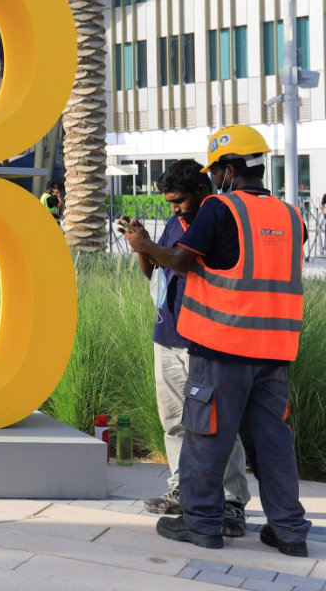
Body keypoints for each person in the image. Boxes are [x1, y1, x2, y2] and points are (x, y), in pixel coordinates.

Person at [121, 125, 311, 554]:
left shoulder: (220, 209)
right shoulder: (291, 216)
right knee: (273, 443)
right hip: (275, 351)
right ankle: (290, 532)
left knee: (205, 436)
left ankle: (202, 522)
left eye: (218, 171)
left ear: (226, 171)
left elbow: (181, 261)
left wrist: (146, 245)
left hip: (222, 346)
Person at [134, 159, 250, 535]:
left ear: (203, 191)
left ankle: (232, 501)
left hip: (203, 342)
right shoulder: (175, 222)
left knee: (219, 425)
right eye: (169, 202)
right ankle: (181, 490)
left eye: (179, 200)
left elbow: (184, 264)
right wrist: (142, 248)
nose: (175, 208)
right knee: (174, 423)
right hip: (167, 336)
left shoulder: (217, 220)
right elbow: (158, 273)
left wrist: (149, 245)